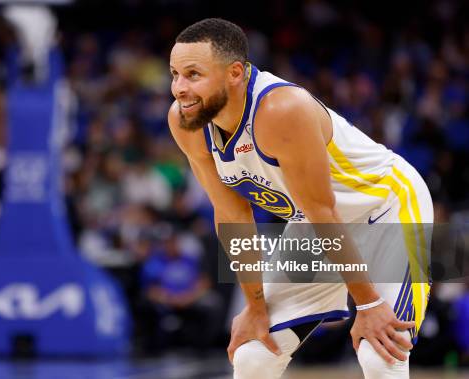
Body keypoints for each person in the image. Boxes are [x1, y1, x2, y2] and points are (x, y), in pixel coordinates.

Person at [167, 18, 433, 379]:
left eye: (193, 74)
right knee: (253, 355)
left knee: (380, 352)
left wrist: (368, 302)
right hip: (319, 223)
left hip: (388, 207)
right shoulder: (188, 123)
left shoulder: (280, 109)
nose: (180, 88)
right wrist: (255, 306)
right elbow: (232, 217)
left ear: (234, 73)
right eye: (175, 74)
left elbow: (322, 210)